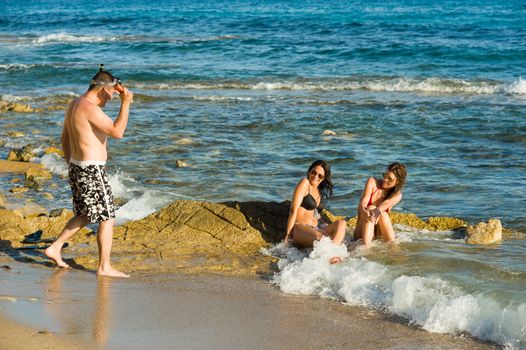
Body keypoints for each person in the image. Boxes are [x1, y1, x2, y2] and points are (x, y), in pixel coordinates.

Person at [45, 65, 133, 277]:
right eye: (111, 95)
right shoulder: (91, 108)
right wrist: (126, 102)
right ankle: (104, 267)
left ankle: (55, 248)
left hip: (78, 166)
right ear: (103, 89)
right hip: (92, 170)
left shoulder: (75, 104)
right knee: (107, 216)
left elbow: (64, 138)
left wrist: (71, 164)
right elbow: (118, 132)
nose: (109, 99)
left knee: (86, 214)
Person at [284, 160, 347, 258]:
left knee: (342, 223)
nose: (316, 176)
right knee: (321, 239)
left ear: (323, 179)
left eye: (320, 176)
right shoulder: (305, 183)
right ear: (309, 171)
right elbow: (293, 209)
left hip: (316, 229)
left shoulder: (318, 191)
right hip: (301, 229)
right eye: (314, 172)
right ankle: (331, 256)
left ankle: (333, 255)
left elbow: (314, 213)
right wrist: (288, 235)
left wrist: (323, 224)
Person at [353, 162, 407, 248]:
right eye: (385, 175)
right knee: (371, 208)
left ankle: (393, 250)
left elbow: (383, 206)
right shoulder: (372, 182)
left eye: (390, 179)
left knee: (383, 214)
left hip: (378, 236)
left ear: (397, 182)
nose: (385, 179)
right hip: (361, 232)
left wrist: (377, 211)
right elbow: (363, 202)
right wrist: (364, 211)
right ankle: (366, 248)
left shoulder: (397, 195)